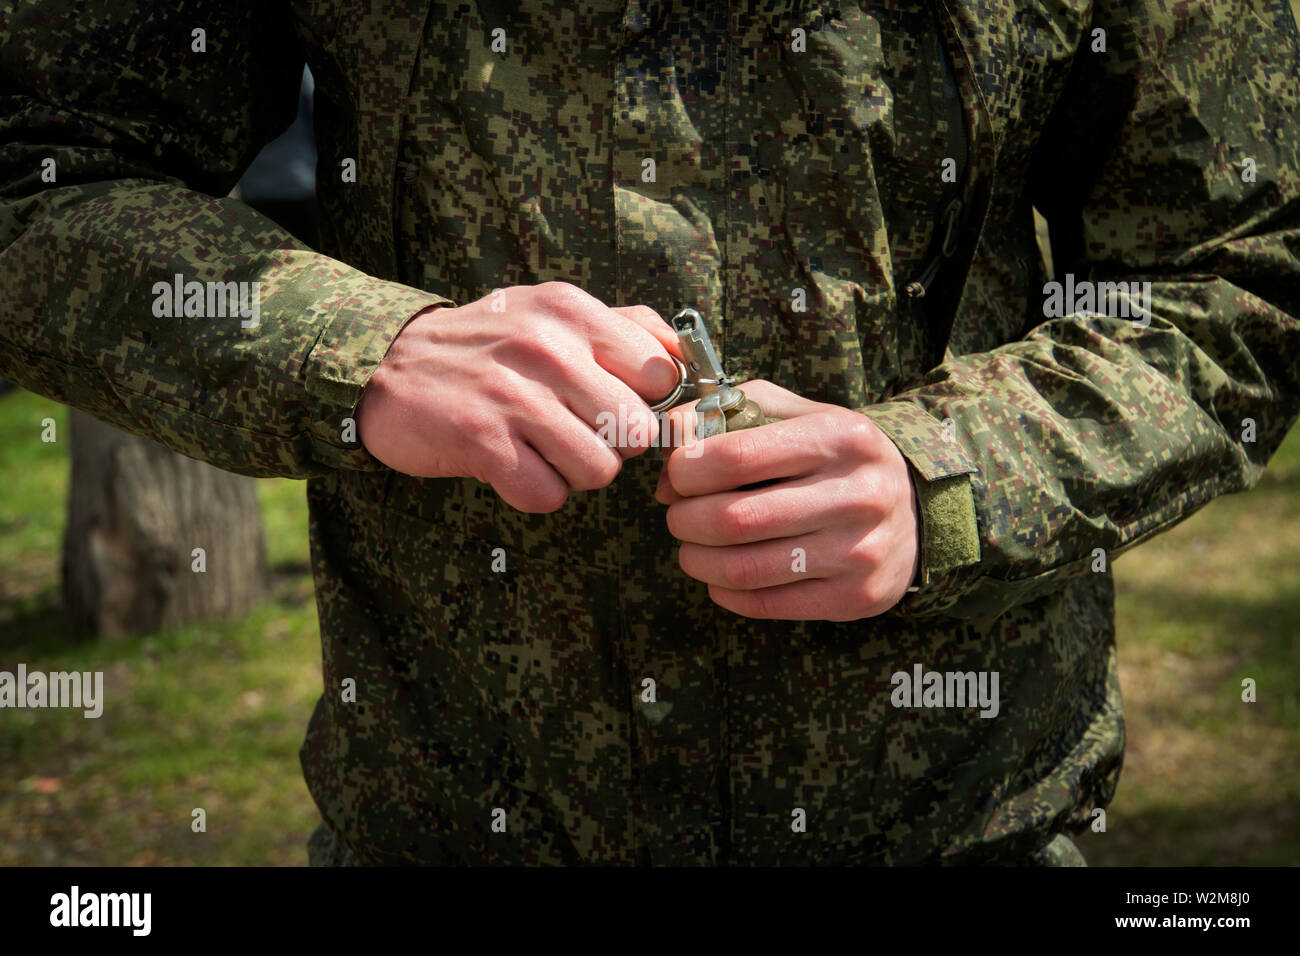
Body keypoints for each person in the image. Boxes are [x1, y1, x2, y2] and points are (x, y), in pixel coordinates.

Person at [2, 0, 1297, 866]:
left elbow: (1247, 265)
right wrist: (348, 345)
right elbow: (40, 169)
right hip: (450, 817)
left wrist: (958, 472)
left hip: (962, 819)